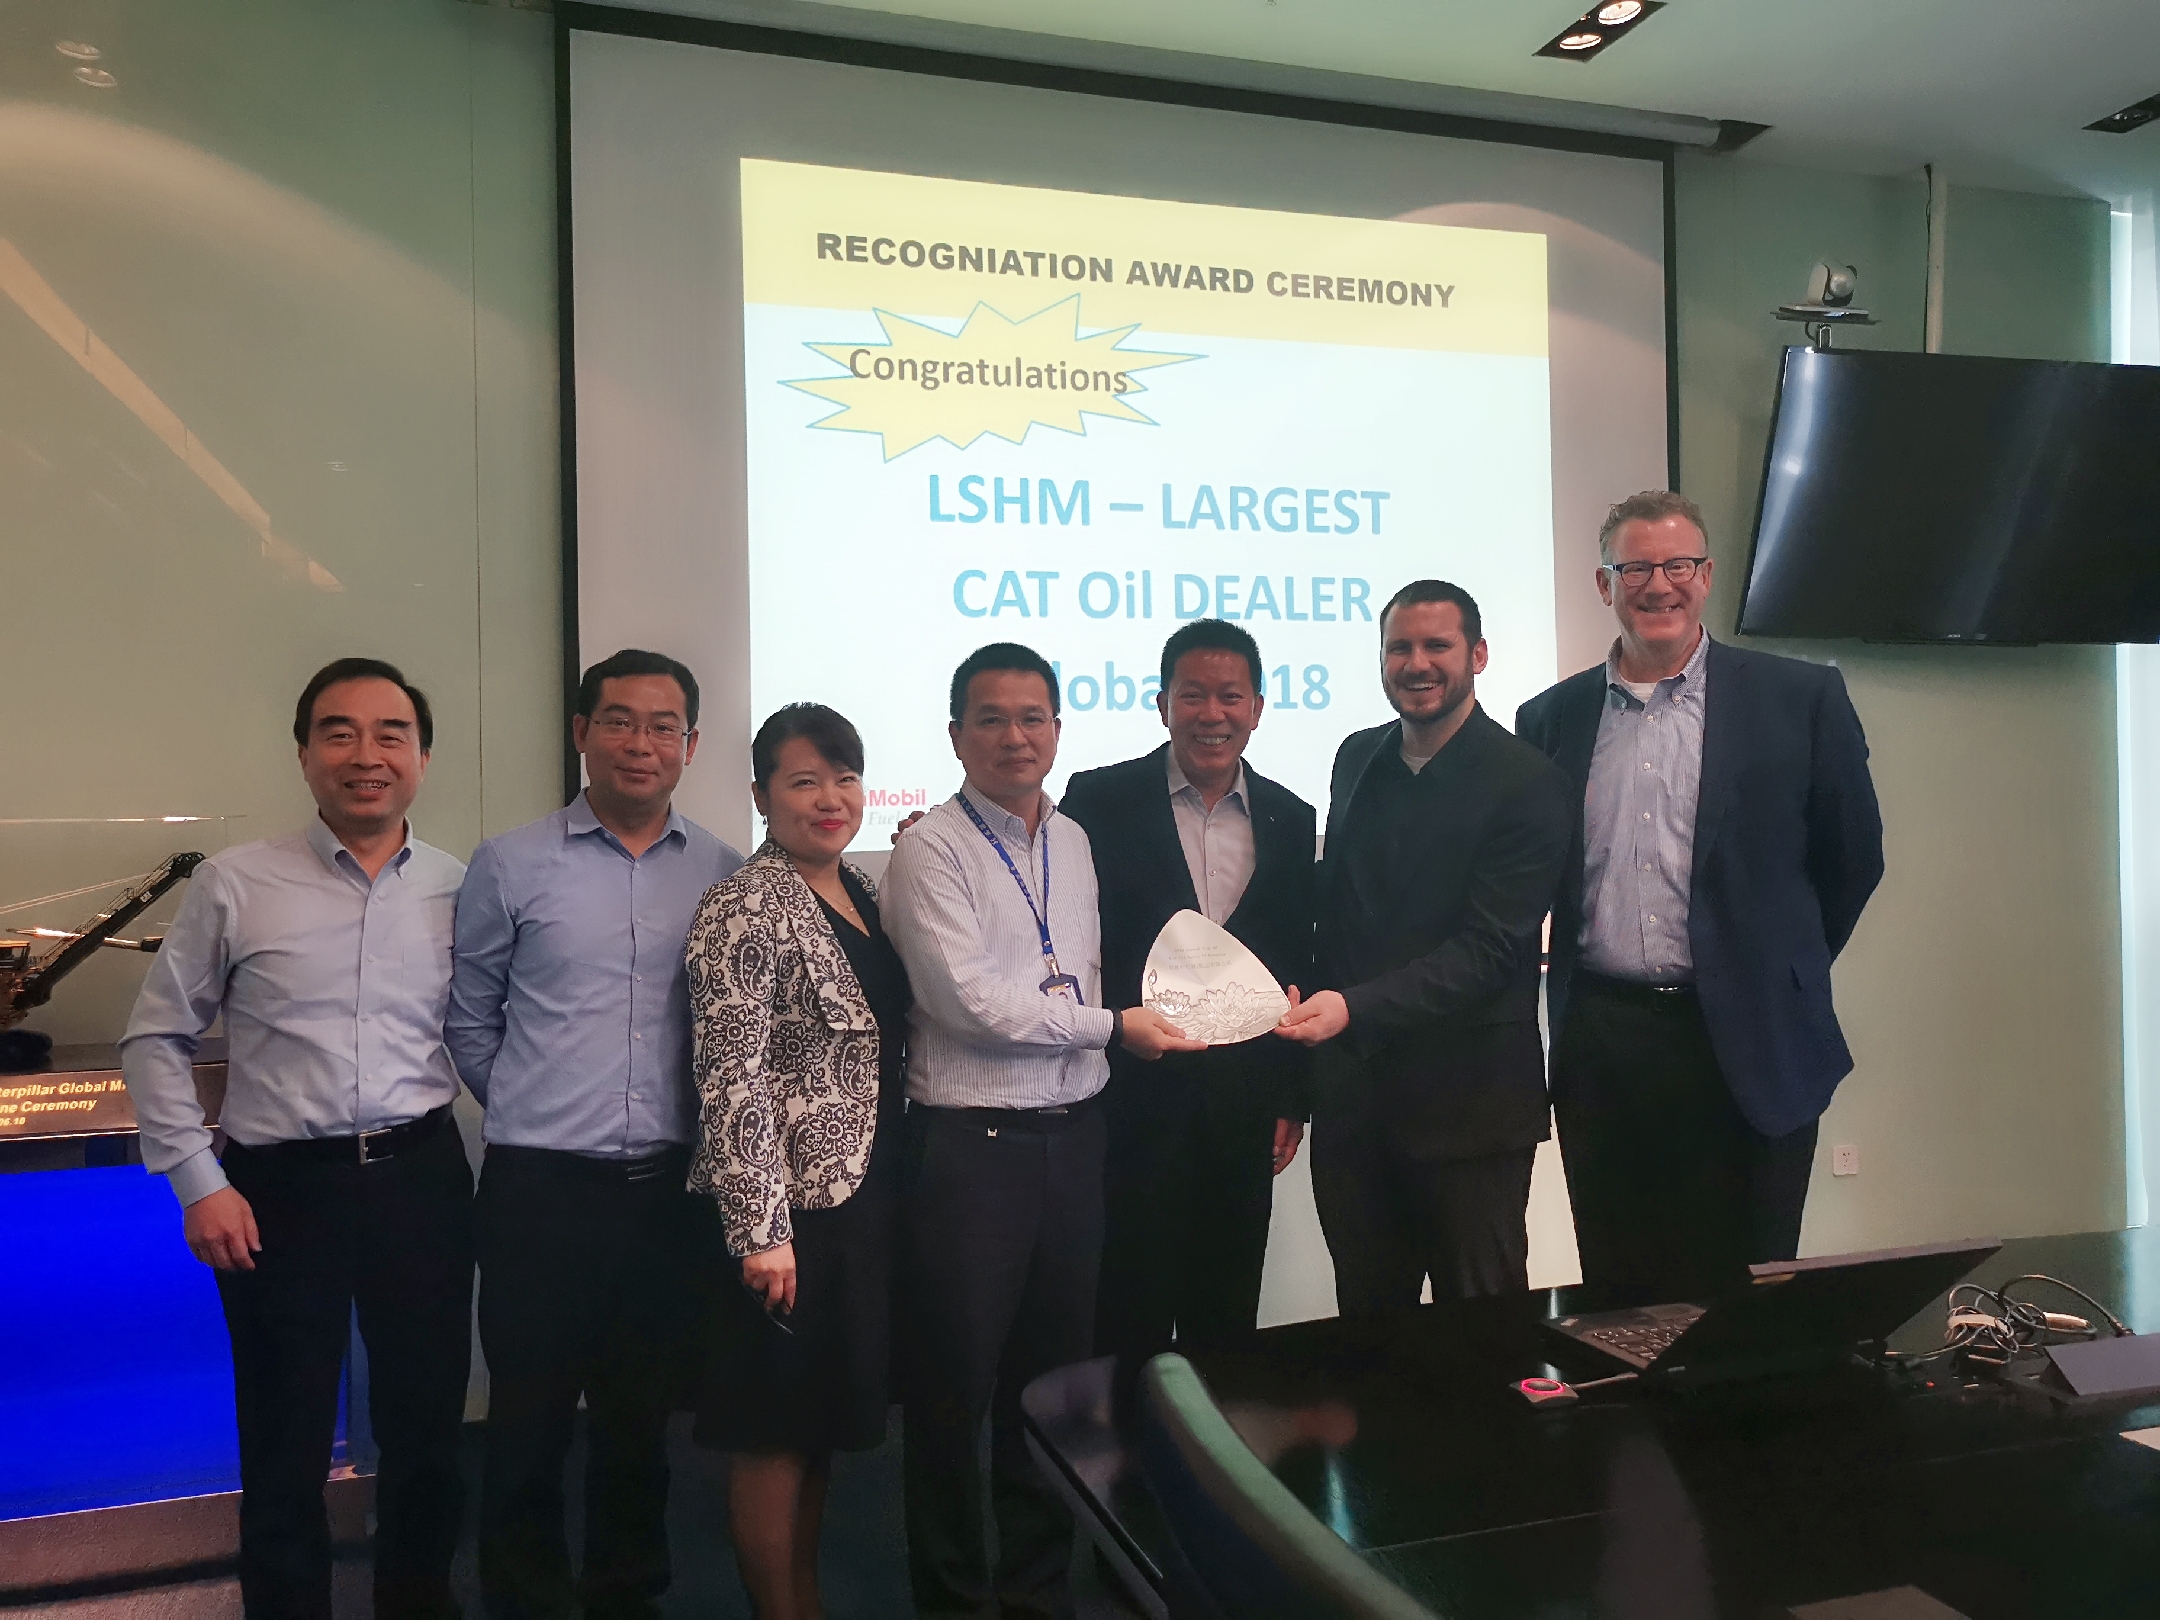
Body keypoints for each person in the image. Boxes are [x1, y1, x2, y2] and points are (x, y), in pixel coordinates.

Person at [120, 658, 472, 1620]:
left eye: (391, 733)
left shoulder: (461, 886)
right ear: (306, 753)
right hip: (279, 1193)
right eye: (339, 732)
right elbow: (156, 1037)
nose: (367, 754)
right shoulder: (236, 884)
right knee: (284, 1443)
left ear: (423, 757)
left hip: (423, 1181)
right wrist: (199, 1182)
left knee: (428, 1436)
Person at [883, 642, 1203, 1620]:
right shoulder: (930, 849)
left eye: (1033, 718)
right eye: (992, 718)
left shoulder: (1073, 840)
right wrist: (1112, 1027)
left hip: (1074, 1143)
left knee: (1051, 1389)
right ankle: (952, 1598)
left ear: (1059, 730)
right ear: (956, 736)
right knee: (952, 1394)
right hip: (971, 1153)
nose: (1015, 737)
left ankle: (1032, 1593)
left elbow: (1078, 968)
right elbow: (970, 1003)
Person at [1515, 491, 1883, 1296]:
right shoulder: (1548, 719)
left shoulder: (1800, 699)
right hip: (1603, 1044)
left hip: (1753, 1035)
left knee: (1749, 1289)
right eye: (1635, 568)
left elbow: (1853, 859)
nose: (1659, 584)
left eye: (1677, 565)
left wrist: (1779, 963)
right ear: (1604, 585)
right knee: (1623, 1292)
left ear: (1706, 575)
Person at [447, 648, 744, 1620]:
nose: (640, 743)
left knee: (639, 1417)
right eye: (619, 720)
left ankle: (626, 1593)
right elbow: (470, 1018)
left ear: (690, 744)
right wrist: (531, 1105)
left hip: (665, 1194)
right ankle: (523, 1598)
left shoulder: (724, 871)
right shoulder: (511, 862)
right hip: (540, 1192)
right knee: (527, 1417)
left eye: (663, 726)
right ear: (581, 732)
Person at [1279, 581, 1571, 1309]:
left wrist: (1351, 1007)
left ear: (1478, 655)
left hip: (1469, 1116)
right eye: (1399, 648)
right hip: (1355, 1111)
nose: (1416, 663)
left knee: (1482, 1334)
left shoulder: (1529, 781)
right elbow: (1341, 907)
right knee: (1368, 1329)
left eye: (1437, 645)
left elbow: (1491, 950)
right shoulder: (1356, 757)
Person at [683, 704, 906, 1620]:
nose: (830, 799)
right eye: (804, 781)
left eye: (845, 779)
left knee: (815, 1426)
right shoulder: (744, 902)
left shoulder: (860, 888)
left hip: (855, 1200)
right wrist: (760, 1232)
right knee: (774, 1432)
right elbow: (729, 1074)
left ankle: (802, 1601)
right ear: (761, 794)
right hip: (786, 1218)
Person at [1060, 619, 1316, 1363]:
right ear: (1162, 703)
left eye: (1231, 696)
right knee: (1125, 1314)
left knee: (1227, 1319)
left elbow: (1294, 958)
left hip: (1242, 1108)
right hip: (1131, 1100)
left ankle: (1213, 1440)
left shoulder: (1291, 817)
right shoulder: (1098, 799)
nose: (1213, 714)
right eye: (1193, 695)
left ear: (1258, 707)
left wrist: (1292, 1096)